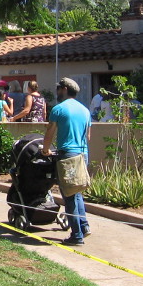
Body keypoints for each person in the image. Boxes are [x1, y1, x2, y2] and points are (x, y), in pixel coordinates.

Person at [42, 77, 91, 246]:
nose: (57, 92)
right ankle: (84, 226)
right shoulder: (85, 110)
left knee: (69, 195)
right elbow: (88, 136)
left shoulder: (59, 109)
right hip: (82, 154)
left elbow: (50, 132)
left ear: (63, 89)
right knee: (77, 192)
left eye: (58, 89)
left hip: (68, 156)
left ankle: (76, 235)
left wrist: (45, 149)